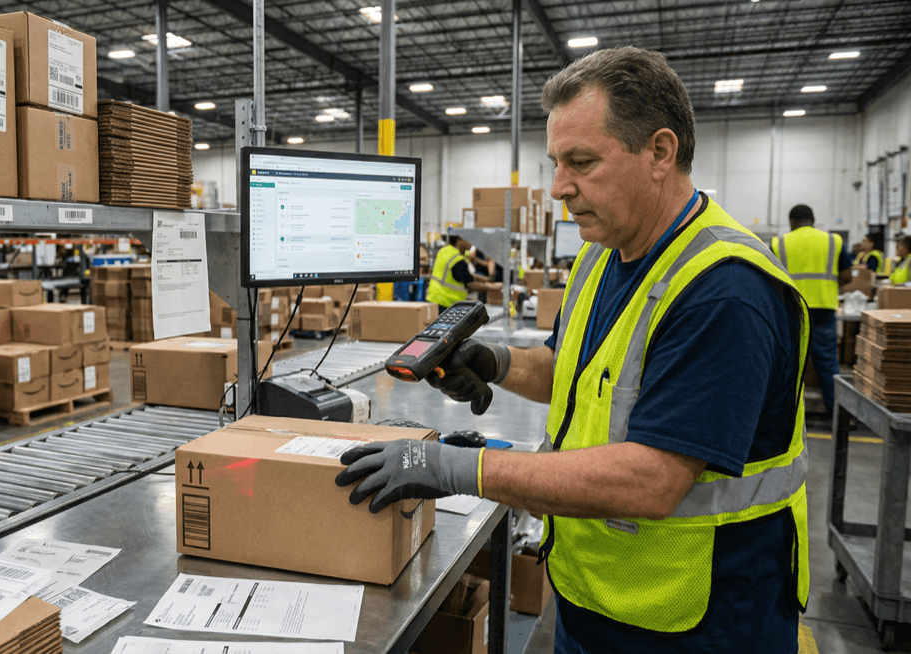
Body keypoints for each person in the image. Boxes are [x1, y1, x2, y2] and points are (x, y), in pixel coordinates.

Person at [336, 47, 809, 653]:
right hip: (597, 599)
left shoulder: (725, 291)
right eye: (557, 162)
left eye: (582, 162)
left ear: (660, 152)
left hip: (699, 624)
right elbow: (574, 369)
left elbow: (652, 480)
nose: (560, 187)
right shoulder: (604, 253)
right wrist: (498, 363)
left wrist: (454, 468)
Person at [771, 204, 846, 413]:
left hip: (790, 310)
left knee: (788, 363)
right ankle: (836, 414)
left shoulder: (780, 243)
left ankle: (784, 415)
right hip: (823, 309)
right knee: (828, 364)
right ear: (813, 220)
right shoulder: (833, 241)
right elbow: (847, 276)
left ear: (792, 222)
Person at [426, 235, 487, 311]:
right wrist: (493, 286)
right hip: (447, 303)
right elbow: (470, 284)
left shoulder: (444, 250)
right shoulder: (457, 259)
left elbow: (459, 274)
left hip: (434, 300)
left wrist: (481, 278)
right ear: (460, 240)